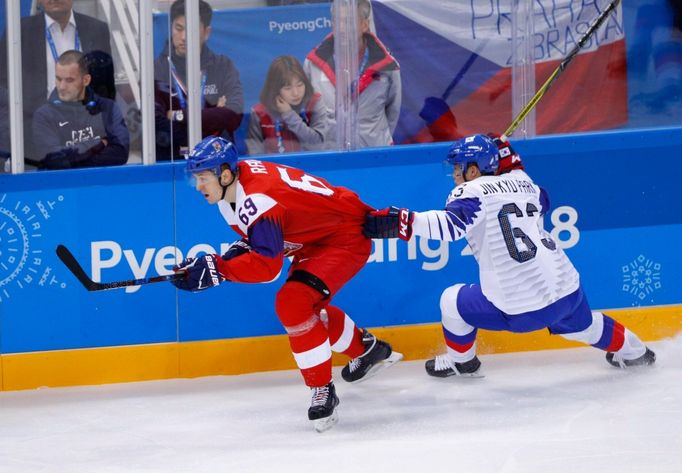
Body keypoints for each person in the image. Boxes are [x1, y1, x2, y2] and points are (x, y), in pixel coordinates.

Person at [364, 134, 655, 377]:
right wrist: (506, 152)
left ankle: (463, 363)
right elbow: (543, 199)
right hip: (568, 290)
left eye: (459, 168)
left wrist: (401, 221)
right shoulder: (526, 183)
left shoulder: (470, 191)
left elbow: (451, 226)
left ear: (474, 170)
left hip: (521, 308)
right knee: (585, 326)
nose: (454, 175)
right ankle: (636, 353)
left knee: (451, 301)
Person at [171, 136, 402, 432]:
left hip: (342, 239)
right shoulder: (237, 188)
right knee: (303, 310)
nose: (199, 186)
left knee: (292, 303)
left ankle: (322, 389)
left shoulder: (256, 197)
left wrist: (220, 269)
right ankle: (366, 350)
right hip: (318, 237)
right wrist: (222, 261)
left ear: (225, 174)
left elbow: (268, 267)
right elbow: (261, 237)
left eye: (203, 178)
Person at [0, 0, 112, 159]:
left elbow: (105, 83)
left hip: (87, 131)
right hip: (35, 134)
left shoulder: (97, 29)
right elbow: (4, 83)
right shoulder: (19, 31)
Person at [303, 0, 401, 149]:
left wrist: (372, 139)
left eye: (348, 22)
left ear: (364, 25)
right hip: (328, 157)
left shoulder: (388, 66)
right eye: (337, 21)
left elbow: (392, 112)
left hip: (374, 155)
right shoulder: (313, 64)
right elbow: (306, 112)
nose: (341, 28)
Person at [154, 0, 244, 160]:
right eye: (178, 28)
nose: (184, 37)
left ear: (206, 32)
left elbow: (234, 114)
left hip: (218, 161)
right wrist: (214, 118)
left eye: (192, 30)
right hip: (171, 161)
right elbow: (156, 123)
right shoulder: (156, 69)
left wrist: (177, 116)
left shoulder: (223, 66)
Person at [31, 50, 129, 169]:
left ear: (86, 80)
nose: (61, 86)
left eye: (69, 80)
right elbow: (53, 159)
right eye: (58, 79)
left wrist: (73, 160)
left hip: (101, 184)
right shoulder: (44, 115)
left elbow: (120, 154)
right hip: (62, 186)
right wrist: (98, 144)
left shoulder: (107, 108)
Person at [246, 55, 327, 155]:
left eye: (300, 85)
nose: (296, 93)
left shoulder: (314, 102)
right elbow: (255, 155)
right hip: (273, 168)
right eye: (288, 88)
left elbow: (318, 144)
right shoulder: (259, 112)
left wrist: (289, 115)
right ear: (275, 89)